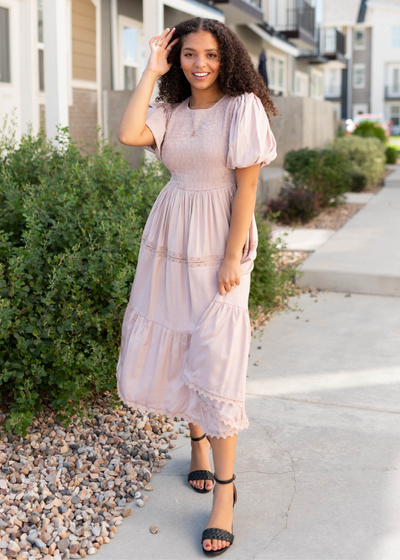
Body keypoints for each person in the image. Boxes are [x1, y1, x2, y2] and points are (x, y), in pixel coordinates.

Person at [116, 17, 277, 556]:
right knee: (185, 338)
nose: (200, 63)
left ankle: (225, 497)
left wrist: (233, 256)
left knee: (218, 356)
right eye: (188, 54)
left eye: (209, 54)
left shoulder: (242, 108)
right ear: (178, 59)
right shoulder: (171, 111)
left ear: (225, 56)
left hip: (220, 242)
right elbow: (128, 134)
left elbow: (248, 185)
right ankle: (197, 442)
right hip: (169, 238)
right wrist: (150, 69)